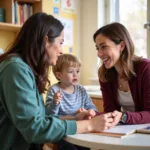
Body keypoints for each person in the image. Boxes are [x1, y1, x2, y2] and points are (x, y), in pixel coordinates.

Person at [0, 12, 114, 150]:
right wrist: (89, 125)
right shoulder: (16, 69)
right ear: (45, 40)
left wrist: (75, 119)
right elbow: (35, 129)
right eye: (60, 43)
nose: (61, 51)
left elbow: (40, 120)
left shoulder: (23, 69)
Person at [93, 22, 150, 126]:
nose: (99, 54)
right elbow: (110, 112)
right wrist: (92, 114)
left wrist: (124, 117)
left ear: (122, 46)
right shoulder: (104, 74)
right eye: (97, 48)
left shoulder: (146, 68)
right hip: (128, 129)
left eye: (104, 46)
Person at [46, 53, 97, 150]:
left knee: (85, 146)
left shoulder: (81, 90)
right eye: (70, 72)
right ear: (59, 75)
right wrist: (55, 103)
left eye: (77, 71)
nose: (75, 75)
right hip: (61, 130)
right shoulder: (54, 90)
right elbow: (49, 116)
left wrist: (90, 112)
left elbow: (91, 106)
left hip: (79, 128)